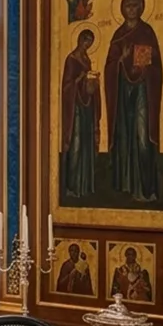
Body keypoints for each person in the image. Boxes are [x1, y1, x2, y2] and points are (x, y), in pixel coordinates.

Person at [104, 0, 163, 203]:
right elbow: (110, 66)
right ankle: (126, 185)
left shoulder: (147, 32)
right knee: (124, 136)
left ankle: (145, 189)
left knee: (142, 137)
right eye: (127, 5)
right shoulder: (118, 34)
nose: (131, 9)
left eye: (135, 5)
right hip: (122, 93)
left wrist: (144, 64)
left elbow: (154, 65)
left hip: (142, 92)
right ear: (122, 8)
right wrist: (121, 59)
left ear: (141, 8)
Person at [60, 28, 100, 200]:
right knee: (75, 144)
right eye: (85, 41)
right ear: (79, 40)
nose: (87, 45)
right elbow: (67, 86)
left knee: (85, 145)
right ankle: (71, 186)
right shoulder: (71, 59)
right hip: (75, 108)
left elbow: (87, 84)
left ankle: (83, 186)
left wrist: (92, 81)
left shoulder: (86, 60)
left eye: (90, 42)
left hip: (86, 108)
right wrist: (80, 79)